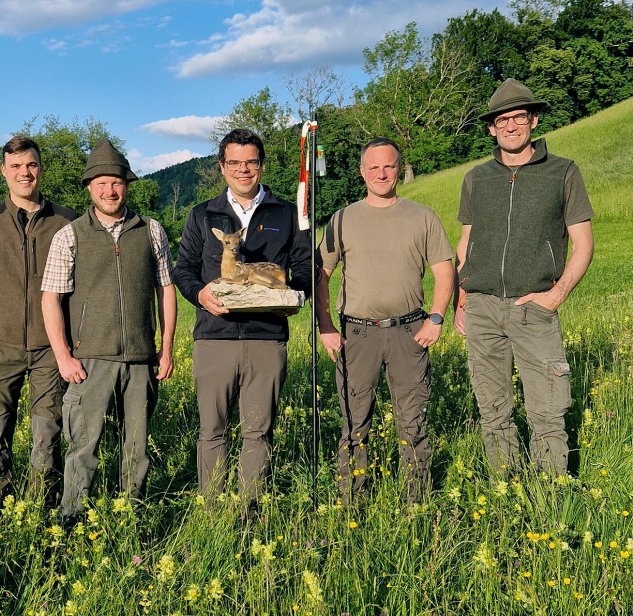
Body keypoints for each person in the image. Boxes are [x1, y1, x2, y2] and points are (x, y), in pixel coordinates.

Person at [454, 78, 594, 477]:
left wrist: (556, 295)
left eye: (519, 117)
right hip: (482, 307)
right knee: (492, 411)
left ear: (533, 121)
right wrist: (462, 302)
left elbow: (583, 244)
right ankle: (507, 492)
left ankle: (550, 497)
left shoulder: (563, 172)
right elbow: (466, 244)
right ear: (491, 128)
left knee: (547, 411)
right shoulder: (476, 178)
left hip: (534, 308)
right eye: (502, 120)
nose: (511, 126)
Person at [173, 128, 313, 510]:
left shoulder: (286, 213)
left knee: (258, 432)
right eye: (234, 162)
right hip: (213, 338)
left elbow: (303, 267)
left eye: (251, 161)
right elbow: (183, 269)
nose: (243, 169)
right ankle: (214, 512)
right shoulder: (203, 215)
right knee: (211, 432)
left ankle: (251, 511)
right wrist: (199, 293)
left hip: (267, 338)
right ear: (222, 168)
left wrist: (290, 296)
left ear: (262, 165)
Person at [40, 139, 176, 524]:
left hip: (140, 359)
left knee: (137, 448)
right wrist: (64, 356)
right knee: (84, 446)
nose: (109, 190)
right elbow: (50, 298)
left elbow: (166, 290)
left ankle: (131, 518)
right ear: (89, 187)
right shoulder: (70, 235)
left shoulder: (151, 231)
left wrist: (165, 349)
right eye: (100, 182)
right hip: (89, 360)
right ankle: (73, 519)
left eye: (116, 182)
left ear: (127, 184)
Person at [316, 138, 455, 503]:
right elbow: (320, 275)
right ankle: (352, 501)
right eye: (373, 167)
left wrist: (437, 319)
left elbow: (444, 271)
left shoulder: (422, 216)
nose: (381, 174)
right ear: (362, 172)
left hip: (411, 332)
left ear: (399, 169)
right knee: (354, 423)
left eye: (388, 166)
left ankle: (417, 501)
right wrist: (325, 327)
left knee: (413, 422)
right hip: (357, 335)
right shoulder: (342, 219)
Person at [0, 135, 77, 527]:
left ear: (41, 168)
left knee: (47, 439)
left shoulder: (67, 220)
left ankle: (41, 522)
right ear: (3, 172)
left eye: (31, 165)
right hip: (0, 347)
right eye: (16, 166)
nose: (24, 173)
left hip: (49, 350)